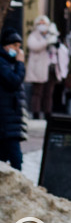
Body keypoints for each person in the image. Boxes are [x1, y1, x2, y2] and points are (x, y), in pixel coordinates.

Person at [0, 28, 26, 170]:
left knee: (4, 156)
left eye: (19, 46)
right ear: (6, 45)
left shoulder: (9, 62)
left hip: (10, 119)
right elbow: (14, 81)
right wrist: (20, 63)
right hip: (6, 119)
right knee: (16, 158)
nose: (18, 50)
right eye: (15, 46)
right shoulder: (3, 63)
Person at [25, 16, 57, 118]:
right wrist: (46, 42)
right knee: (37, 92)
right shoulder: (33, 36)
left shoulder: (52, 35)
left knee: (48, 92)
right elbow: (34, 46)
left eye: (44, 23)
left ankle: (48, 112)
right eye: (40, 23)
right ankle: (36, 112)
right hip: (37, 68)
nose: (42, 26)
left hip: (50, 68)